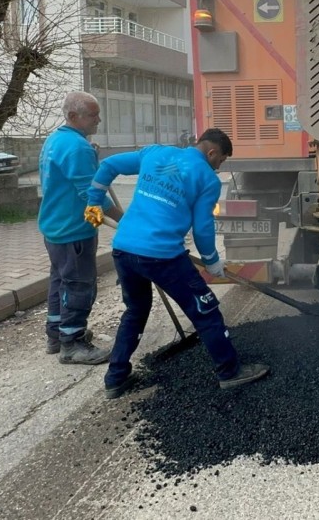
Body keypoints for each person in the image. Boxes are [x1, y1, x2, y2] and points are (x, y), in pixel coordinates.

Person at [83, 128, 269, 399]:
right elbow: (203, 227)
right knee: (206, 312)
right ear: (212, 152)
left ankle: (115, 378)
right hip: (163, 256)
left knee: (135, 311)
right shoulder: (206, 178)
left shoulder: (156, 152)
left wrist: (94, 201)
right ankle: (230, 372)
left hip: (124, 249)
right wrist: (212, 262)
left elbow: (109, 165)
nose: (219, 167)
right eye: (222, 161)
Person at [38, 91, 121, 364]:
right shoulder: (77, 147)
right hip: (73, 229)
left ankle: (56, 334)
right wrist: (127, 222)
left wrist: (90, 157)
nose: (99, 119)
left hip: (54, 226)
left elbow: (74, 178)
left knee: (60, 282)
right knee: (79, 285)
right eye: (93, 115)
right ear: (74, 116)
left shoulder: (56, 140)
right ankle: (72, 344)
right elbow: (93, 196)